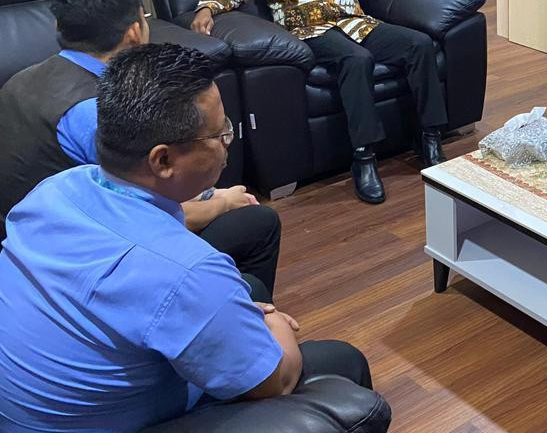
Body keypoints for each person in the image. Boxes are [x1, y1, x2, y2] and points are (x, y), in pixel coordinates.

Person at [0, 44, 375, 431]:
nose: (227, 142)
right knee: (340, 360)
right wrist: (273, 323)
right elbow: (275, 383)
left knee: (249, 279)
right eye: (220, 133)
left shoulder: (57, 189)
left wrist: (227, 310)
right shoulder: (188, 272)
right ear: (162, 160)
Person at [0, 0, 280, 297]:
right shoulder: (97, 112)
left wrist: (212, 196)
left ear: (58, 26)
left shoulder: (22, 79)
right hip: (82, 265)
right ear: (135, 31)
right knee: (258, 222)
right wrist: (223, 204)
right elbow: (140, 220)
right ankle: (235, 308)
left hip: (22, 248)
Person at [190, 0, 465, 204]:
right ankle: (364, 157)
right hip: (310, 31)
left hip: (356, 23)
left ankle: (429, 137)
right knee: (356, 59)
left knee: (419, 44)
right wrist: (207, 8)